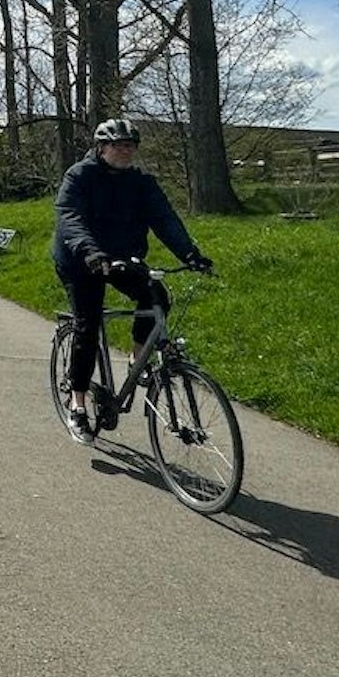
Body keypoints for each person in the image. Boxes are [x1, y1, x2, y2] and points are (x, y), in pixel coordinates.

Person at [51, 118, 213, 440]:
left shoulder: (141, 182)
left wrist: (190, 254)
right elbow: (69, 217)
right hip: (80, 259)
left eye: (130, 146)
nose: (125, 151)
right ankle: (77, 404)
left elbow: (165, 220)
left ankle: (137, 360)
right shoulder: (79, 176)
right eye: (118, 145)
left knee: (156, 297)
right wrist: (91, 253)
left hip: (123, 257)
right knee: (88, 324)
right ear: (102, 148)